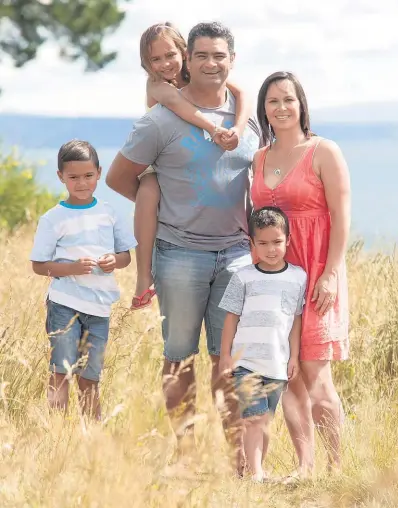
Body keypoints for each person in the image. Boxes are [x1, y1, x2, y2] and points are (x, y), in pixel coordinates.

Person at [106, 22, 261, 465]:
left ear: (231, 60)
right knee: (178, 357)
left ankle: (238, 459)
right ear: (188, 61)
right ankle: (186, 455)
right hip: (179, 256)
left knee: (229, 360)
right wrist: (163, 205)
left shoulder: (247, 118)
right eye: (202, 56)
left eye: (220, 56)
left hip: (236, 256)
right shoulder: (159, 119)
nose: (211, 63)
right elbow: (119, 178)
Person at [251, 71, 351, 479]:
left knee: (315, 372)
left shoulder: (324, 151)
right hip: (274, 279)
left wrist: (329, 273)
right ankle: (305, 466)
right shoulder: (259, 157)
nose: (281, 107)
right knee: (287, 375)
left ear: (301, 104)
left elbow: (342, 219)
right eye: (273, 101)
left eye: (288, 99)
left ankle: (336, 468)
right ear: (264, 111)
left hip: (315, 274)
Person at [132, 22, 251, 310]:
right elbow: (179, 106)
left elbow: (243, 93)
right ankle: (142, 275)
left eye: (170, 55)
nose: (164, 64)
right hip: (163, 159)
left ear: (184, 53)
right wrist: (214, 129)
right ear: (146, 64)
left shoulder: (198, 73)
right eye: (155, 60)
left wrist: (237, 126)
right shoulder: (157, 86)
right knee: (148, 191)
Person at [30, 140, 136, 419]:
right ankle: (55, 432)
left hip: (99, 308)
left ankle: (92, 439)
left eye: (88, 176)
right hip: (64, 304)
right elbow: (38, 265)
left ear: (99, 173)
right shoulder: (53, 218)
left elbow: (125, 256)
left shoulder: (110, 213)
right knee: (61, 370)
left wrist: (115, 261)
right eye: (73, 177)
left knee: (90, 377)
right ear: (60, 177)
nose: (81, 183)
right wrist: (72, 268)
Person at [219, 206, 307, 482]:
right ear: (252, 244)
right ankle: (255, 474)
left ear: (288, 240)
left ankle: (254, 469)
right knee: (253, 418)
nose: (271, 249)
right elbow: (231, 320)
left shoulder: (297, 277)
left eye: (277, 242)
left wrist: (293, 358)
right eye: (263, 243)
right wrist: (225, 357)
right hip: (245, 362)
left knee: (264, 421)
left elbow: (295, 321)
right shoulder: (244, 277)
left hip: (277, 363)